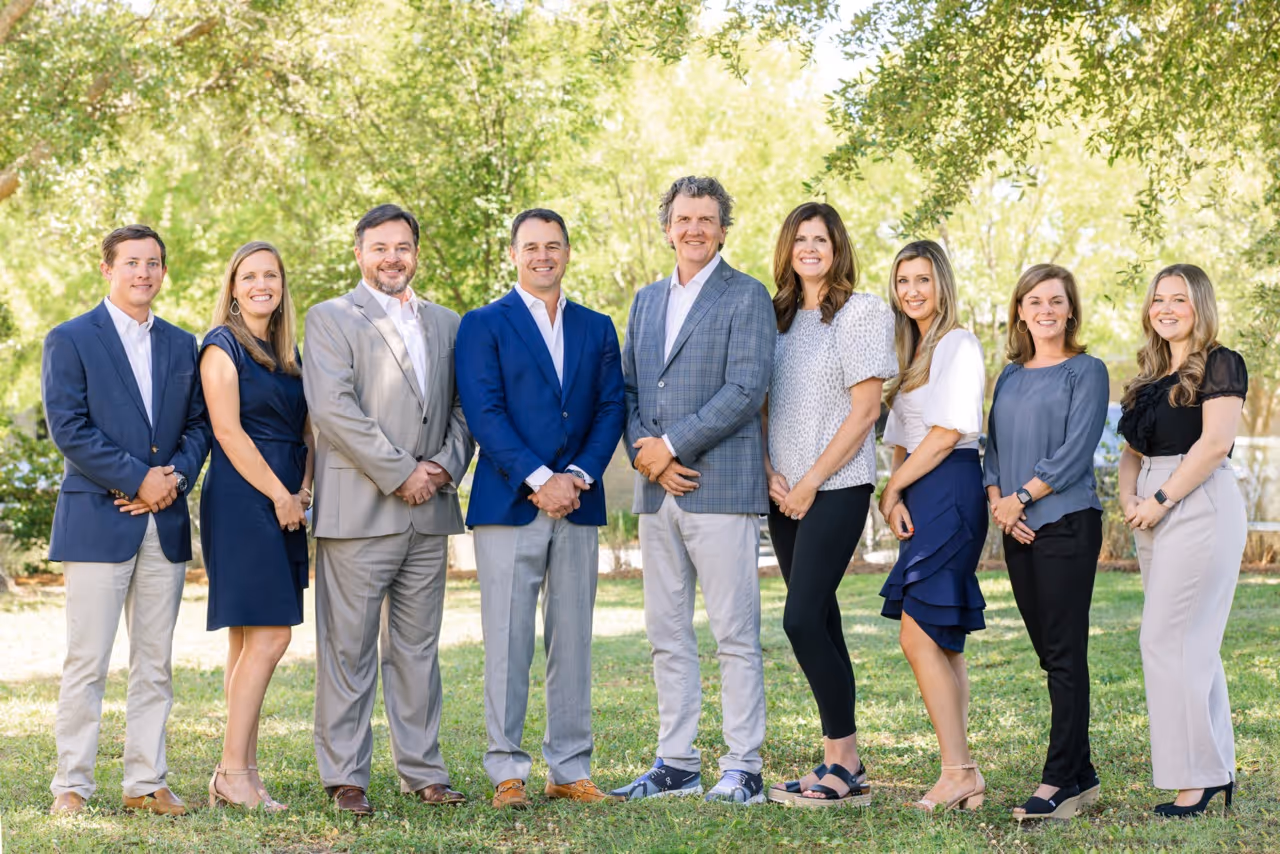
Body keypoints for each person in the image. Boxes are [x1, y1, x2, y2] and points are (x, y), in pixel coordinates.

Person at [303, 204, 475, 816]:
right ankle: (346, 775)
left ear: (416, 254)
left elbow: (463, 407)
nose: (392, 257)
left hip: (429, 515)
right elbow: (333, 409)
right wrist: (403, 472)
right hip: (358, 513)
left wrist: (444, 468)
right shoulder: (329, 319)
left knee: (418, 650)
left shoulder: (448, 323)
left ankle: (423, 772)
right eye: (379, 247)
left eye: (402, 247)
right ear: (359, 254)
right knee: (347, 650)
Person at [611, 176, 776, 805]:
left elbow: (746, 386)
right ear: (667, 227)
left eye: (707, 219)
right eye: (684, 219)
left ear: (723, 229)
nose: (694, 229)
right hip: (658, 493)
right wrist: (648, 461)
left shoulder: (747, 296)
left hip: (720, 487)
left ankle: (744, 766)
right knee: (667, 634)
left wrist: (673, 445)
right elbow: (628, 393)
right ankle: (676, 763)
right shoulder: (647, 301)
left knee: (735, 633)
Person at [455, 208, 626, 809]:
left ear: (568, 253)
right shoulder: (483, 324)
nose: (542, 255)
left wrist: (575, 476)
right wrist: (538, 478)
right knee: (507, 641)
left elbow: (611, 409)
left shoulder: (597, 326)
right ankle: (507, 771)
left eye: (553, 246)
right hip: (509, 504)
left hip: (577, 503)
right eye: (531, 246)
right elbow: (485, 412)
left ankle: (569, 768)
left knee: (573, 639)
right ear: (513, 254)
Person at [42, 225, 211, 816]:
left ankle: (145, 781)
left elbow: (198, 427)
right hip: (97, 518)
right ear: (108, 268)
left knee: (154, 661)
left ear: (164, 272)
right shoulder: (70, 338)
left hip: (162, 523)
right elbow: (69, 427)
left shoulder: (182, 343)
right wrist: (137, 477)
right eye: (132, 262)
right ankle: (72, 785)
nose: (144, 272)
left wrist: (171, 481)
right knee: (87, 659)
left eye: (154, 263)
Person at [760, 203, 895, 808]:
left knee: (799, 617)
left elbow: (865, 410)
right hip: (782, 490)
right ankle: (842, 762)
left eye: (822, 238)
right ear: (787, 248)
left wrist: (812, 479)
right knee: (821, 618)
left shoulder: (862, 312)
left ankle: (844, 756)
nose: (810, 247)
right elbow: (763, 404)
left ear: (838, 247)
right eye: (801, 238)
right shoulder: (775, 315)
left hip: (837, 487)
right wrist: (771, 473)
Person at [1117, 264, 1247, 818]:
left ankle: (1196, 778)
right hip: (1151, 503)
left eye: (1179, 299)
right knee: (1189, 642)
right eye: (1157, 300)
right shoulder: (1148, 376)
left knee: (1168, 641)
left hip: (1196, 501)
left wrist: (1161, 499)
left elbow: (1215, 443)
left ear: (1200, 306)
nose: (1165, 309)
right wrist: (1129, 498)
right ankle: (1215, 770)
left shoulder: (1221, 362)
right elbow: (1131, 452)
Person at [982, 263, 1110, 822]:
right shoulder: (1009, 375)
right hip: (1017, 526)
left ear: (1070, 310)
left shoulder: (1088, 370)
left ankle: (1058, 779)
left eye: (1055, 301)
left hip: (1065, 523)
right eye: (1034, 301)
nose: (1045, 310)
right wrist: (999, 505)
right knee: (1050, 654)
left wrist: (1022, 499)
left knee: (1063, 653)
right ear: (1020, 311)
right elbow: (991, 449)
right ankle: (1082, 777)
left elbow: (1075, 451)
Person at [199, 241, 313, 811]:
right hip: (246, 499)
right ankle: (233, 773)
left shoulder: (288, 353)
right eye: (250, 276)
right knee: (272, 635)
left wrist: (304, 489)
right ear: (234, 287)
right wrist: (280, 495)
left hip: (288, 497)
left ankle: (238, 769)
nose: (261, 283)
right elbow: (228, 432)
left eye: (271, 274)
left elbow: (307, 432)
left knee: (247, 639)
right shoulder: (222, 346)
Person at [877, 240, 987, 811]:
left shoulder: (958, 344)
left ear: (942, 282)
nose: (912, 291)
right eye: (902, 282)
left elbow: (946, 433)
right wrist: (892, 494)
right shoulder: (912, 350)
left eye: (923, 279)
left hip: (952, 484)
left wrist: (894, 486)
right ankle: (962, 771)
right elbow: (902, 439)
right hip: (921, 488)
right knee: (942, 637)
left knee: (918, 632)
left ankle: (958, 771)